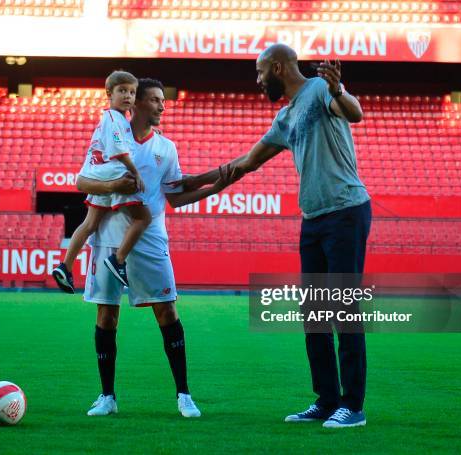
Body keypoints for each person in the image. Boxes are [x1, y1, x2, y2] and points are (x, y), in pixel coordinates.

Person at [185, 44, 370, 428]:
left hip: (345, 212)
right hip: (314, 219)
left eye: (260, 72)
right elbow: (245, 164)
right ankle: (326, 400)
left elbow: (355, 113)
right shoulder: (286, 117)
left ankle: (352, 406)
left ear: (279, 67)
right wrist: (190, 188)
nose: (257, 80)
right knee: (314, 315)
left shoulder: (320, 90)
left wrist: (338, 90)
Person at [76, 78, 229, 418]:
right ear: (138, 104)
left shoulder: (166, 148)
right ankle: (107, 397)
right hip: (108, 236)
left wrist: (213, 187)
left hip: (150, 238)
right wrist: (115, 183)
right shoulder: (111, 135)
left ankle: (184, 394)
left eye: (163, 100)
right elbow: (82, 181)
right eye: (156, 100)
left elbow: (176, 193)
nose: (163, 106)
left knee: (168, 311)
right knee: (107, 314)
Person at [52, 71, 150, 293]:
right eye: (122, 91)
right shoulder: (115, 119)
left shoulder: (111, 119)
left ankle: (65, 266)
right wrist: (136, 173)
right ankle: (118, 259)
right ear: (109, 93)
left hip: (97, 173)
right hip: (113, 173)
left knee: (89, 224)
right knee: (143, 217)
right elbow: (119, 151)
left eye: (132, 92)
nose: (128, 96)